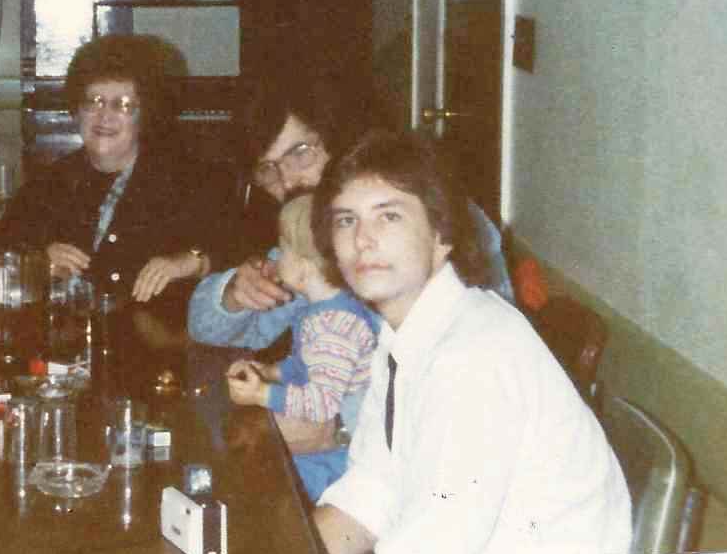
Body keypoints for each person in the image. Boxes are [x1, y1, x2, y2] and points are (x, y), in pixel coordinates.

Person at [312, 129, 630, 554]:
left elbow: (433, 549)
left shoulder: (472, 354)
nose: (363, 239)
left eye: (389, 216)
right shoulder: (405, 336)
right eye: (346, 220)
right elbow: (374, 489)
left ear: (441, 236)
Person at [188, 82, 515, 360]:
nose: (287, 181)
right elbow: (205, 327)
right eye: (267, 169)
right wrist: (234, 294)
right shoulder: (312, 233)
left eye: (300, 152)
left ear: (337, 139)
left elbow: (487, 340)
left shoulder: (435, 212)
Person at [0, 34, 230, 396]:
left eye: (123, 104)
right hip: (62, 365)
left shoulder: (189, 180)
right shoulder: (47, 184)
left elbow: (242, 247)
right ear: (77, 110)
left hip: (160, 368)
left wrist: (193, 260)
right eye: (94, 102)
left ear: (144, 115)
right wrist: (38, 261)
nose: (105, 116)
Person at [225, 195, 378, 502]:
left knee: (264, 484)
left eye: (282, 251)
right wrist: (271, 372)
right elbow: (306, 364)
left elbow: (322, 406)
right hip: (329, 442)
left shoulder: (332, 326)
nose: (276, 258)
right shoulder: (324, 310)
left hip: (339, 459)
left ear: (304, 268)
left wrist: (262, 394)